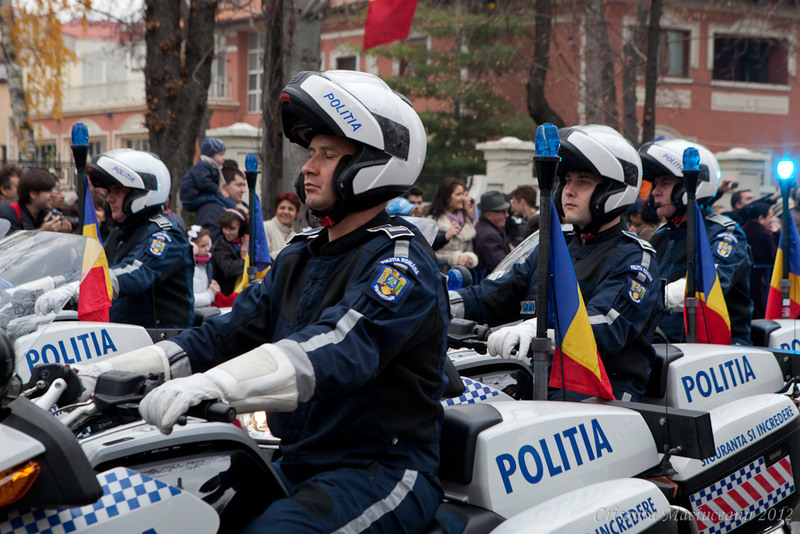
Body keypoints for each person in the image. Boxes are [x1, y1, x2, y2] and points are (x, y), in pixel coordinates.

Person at [73, 70, 448, 534]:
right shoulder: (302, 253)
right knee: (181, 513)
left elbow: (338, 346)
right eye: (311, 153)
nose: (308, 167)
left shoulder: (402, 262)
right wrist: (98, 373)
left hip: (381, 469)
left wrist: (216, 384)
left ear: (374, 164)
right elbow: (223, 332)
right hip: (299, 460)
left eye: (328, 155)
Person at [452, 125, 661, 402]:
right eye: (566, 180)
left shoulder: (635, 257)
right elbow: (491, 295)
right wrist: (441, 299)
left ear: (612, 189)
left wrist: (537, 330)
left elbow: (606, 326)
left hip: (602, 392)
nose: (568, 191)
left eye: (583, 181)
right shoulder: (553, 246)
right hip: (539, 379)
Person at [641, 138, 753, 345]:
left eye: (665, 183)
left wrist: (643, 299)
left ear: (691, 184)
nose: (655, 191)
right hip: (668, 346)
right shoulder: (661, 235)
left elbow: (708, 285)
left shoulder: (725, 234)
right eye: (655, 184)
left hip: (720, 349)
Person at [86, 149, 195, 328]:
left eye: (118, 190)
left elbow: (136, 273)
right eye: (109, 192)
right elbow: (93, 268)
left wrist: (84, 287)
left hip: (160, 340)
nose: (110, 199)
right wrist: (56, 283)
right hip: (120, 335)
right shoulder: (118, 235)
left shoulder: (166, 236)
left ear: (142, 193)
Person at [428, 177, 478, 272]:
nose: (463, 198)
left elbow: (470, 250)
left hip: (461, 275)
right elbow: (427, 253)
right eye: (458, 194)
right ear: (447, 198)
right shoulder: (432, 221)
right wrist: (454, 259)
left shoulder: (467, 220)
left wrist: (469, 258)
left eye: (463, 194)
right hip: (438, 274)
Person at [0, 168, 72, 233]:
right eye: (48, 191)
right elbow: (12, 242)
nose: (53, 194)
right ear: (33, 194)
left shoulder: (45, 212)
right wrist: (42, 232)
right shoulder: (10, 214)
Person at [196, 162, 248, 243]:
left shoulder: (245, 207)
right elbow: (214, 243)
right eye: (239, 185)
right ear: (224, 187)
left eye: (244, 185)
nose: (243, 190)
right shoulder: (211, 211)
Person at [741, 202, 776, 319]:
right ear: (761, 218)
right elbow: (773, 256)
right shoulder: (764, 234)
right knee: (761, 310)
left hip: (745, 278)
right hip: (761, 278)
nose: (772, 220)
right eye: (770, 216)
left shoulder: (742, 230)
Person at [180, 137, 235, 212]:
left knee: (215, 196)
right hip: (191, 199)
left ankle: (231, 206)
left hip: (198, 196)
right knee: (214, 197)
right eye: (221, 155)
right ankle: (233, 206)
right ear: (211, 155)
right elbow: (204, 183)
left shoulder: (211, 166)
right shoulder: (202, 166)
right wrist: (219, 190)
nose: (223, 158)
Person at [212, 208, 249, 297]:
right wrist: (244, 258)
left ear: (241, 229)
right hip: (227, 295)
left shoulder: (250, 243)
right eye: (225, 228)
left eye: (232, 229)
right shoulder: (220, 246)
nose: (227, 232)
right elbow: (229, 269)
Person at [474, 190, 511, 274]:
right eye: (503, 212)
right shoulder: (488, 235)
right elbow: (502, 265)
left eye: (507, 211)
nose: (507, 215)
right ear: (489, 214)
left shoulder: (492, 229)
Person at [188, 225, 220, 309]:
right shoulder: (190, 268)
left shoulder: (205, 265)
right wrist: (210, 294)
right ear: (192, 247)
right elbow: (190, 299)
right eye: (203, 246)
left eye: (208, 245)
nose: (208, 249)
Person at [263, 191, 301, 260]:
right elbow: (263, 257)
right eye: (282, 208)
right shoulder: (265, 227)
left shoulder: (296, 236)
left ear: (297, 213)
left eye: (290, 209)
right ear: (275, 210)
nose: (286, 212)